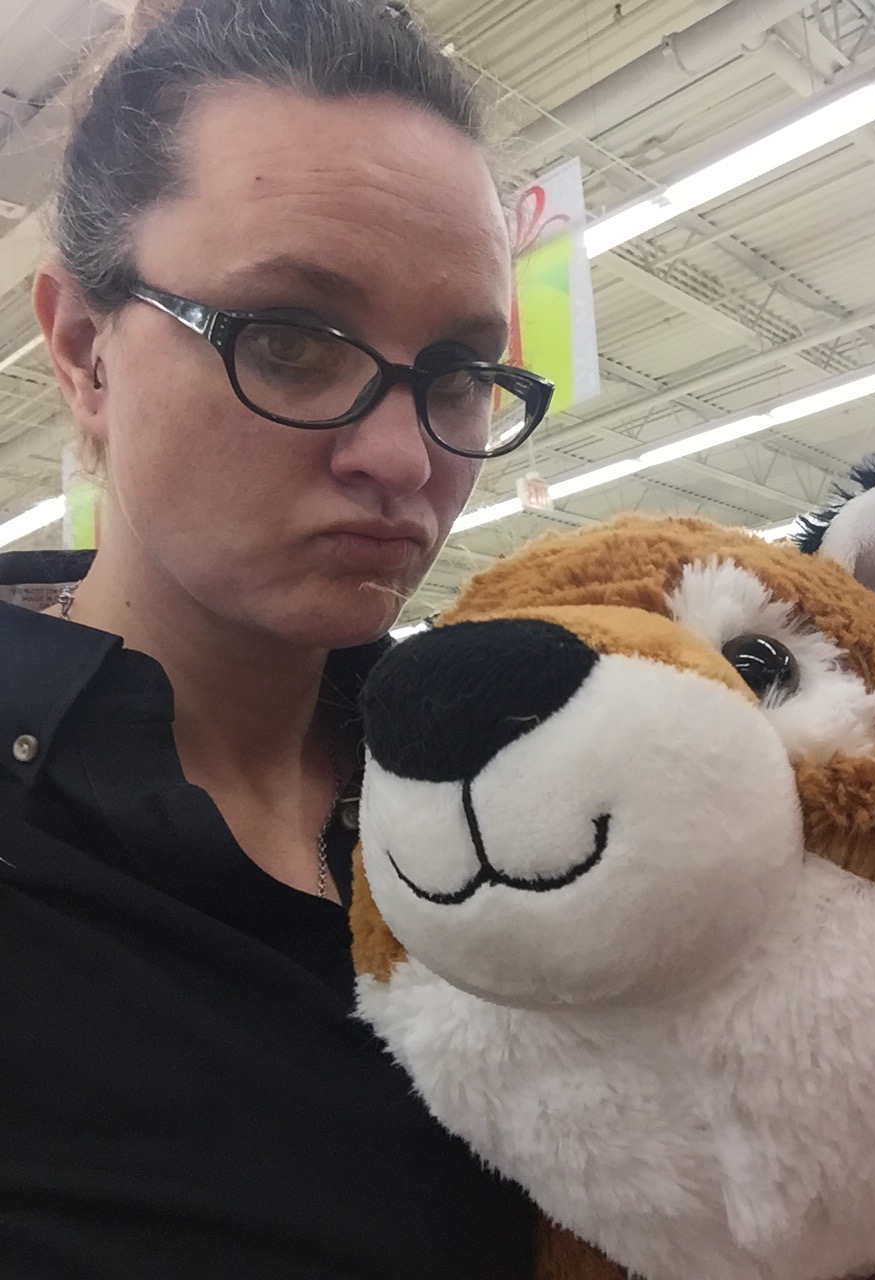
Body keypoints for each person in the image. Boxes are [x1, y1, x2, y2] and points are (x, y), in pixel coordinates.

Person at [0, 0, 554, 1275]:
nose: (402, 458)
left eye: (459, 371)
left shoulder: (521, 795)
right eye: (292, 342)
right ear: (83, 350)